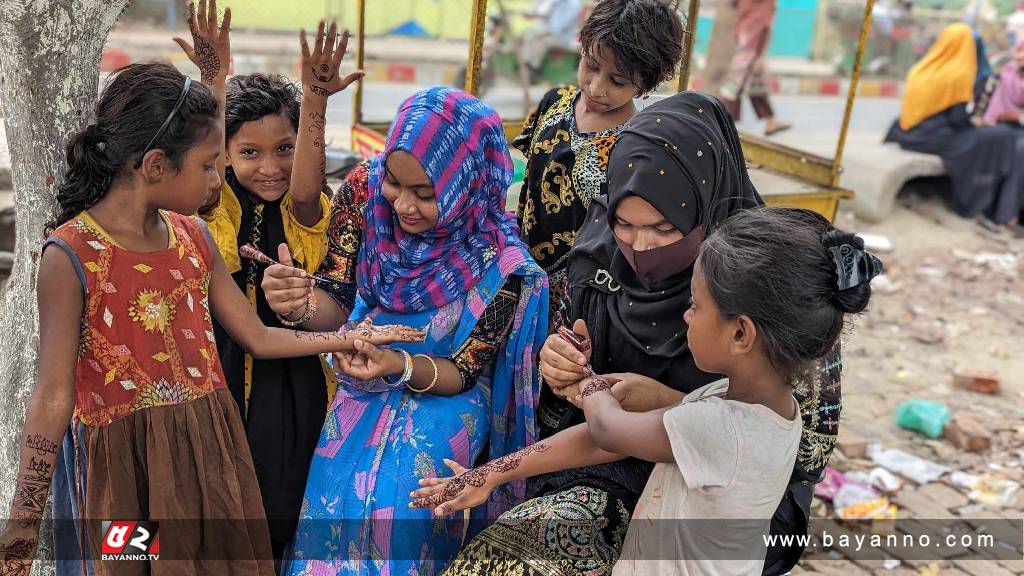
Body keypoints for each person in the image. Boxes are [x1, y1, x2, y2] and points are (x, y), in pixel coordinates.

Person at [0, 62, 423, 576]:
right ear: (155, 166)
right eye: (206, 166)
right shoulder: (70, 256)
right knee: (134, 565)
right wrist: (25, 518)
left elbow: (260, 338)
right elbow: (52, 395)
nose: (213, 178)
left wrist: (347, 336)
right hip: (125, 474)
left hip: (213, 455)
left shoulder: (193, 238)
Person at [412, 206, 881, 576]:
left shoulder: (717, 426)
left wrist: (589, 379)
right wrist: (492, 473)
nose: (686, 316)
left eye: (697, 307)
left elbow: (609, 431)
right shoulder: (763, 408)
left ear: (741, 335)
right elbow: (603, 438)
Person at [259, 87, 549, 576]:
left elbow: (464, 370)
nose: (403, 206)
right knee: (329, 503)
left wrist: (399, 365)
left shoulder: (502, 265)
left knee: (400, 508)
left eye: (427, 193)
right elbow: (339, 302)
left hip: (444, 406)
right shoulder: (364, 195)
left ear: (466, 185)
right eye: (395, 183)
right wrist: (300, 304)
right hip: (359, 389)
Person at [174, 4, 364, 561]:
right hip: (222, 363)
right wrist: (214, 81)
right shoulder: (218, 206)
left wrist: (316, 101)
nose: (270, 167)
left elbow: (305, 189)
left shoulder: (309, 211)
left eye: (284, 148)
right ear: (223, 155)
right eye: (249, 153)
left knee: (283, 493)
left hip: (294, 375)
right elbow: (207, 186)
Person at [515, 0, 684, 319]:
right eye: (591, 66)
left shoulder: (636, 144)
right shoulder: (554, 103)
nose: (596, 88)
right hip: (526, 275)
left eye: (617, 82)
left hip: (582, 297)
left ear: (644, 84)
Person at [886, 23, 1024, 232]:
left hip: (908, 132)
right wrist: (975, 122)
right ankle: (976, 205)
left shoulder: (922, 67)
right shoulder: (959, 73)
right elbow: (958, 119)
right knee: (997, 138)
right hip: (933, 137)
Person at [719, 0, 790, 136]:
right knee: (737, 82)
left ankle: (770, 121)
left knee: (755, 82)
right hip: (752, 38)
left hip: (746, 33)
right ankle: (721, 123)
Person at [520, 0, 584, 75]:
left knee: (540, 42)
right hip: (554, 34)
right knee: (531, 38)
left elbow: (562, 26)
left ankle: (534, 69)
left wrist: (548, 33)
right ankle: (528, 65)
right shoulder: (558, 2)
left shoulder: (573, 4)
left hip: (564, 38)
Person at [983, 38, 1024, 125]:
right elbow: (995, 109)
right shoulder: (1006, 75)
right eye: (1019, 50)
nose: (1021, 55)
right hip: (1000, 127)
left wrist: (1018, 117)